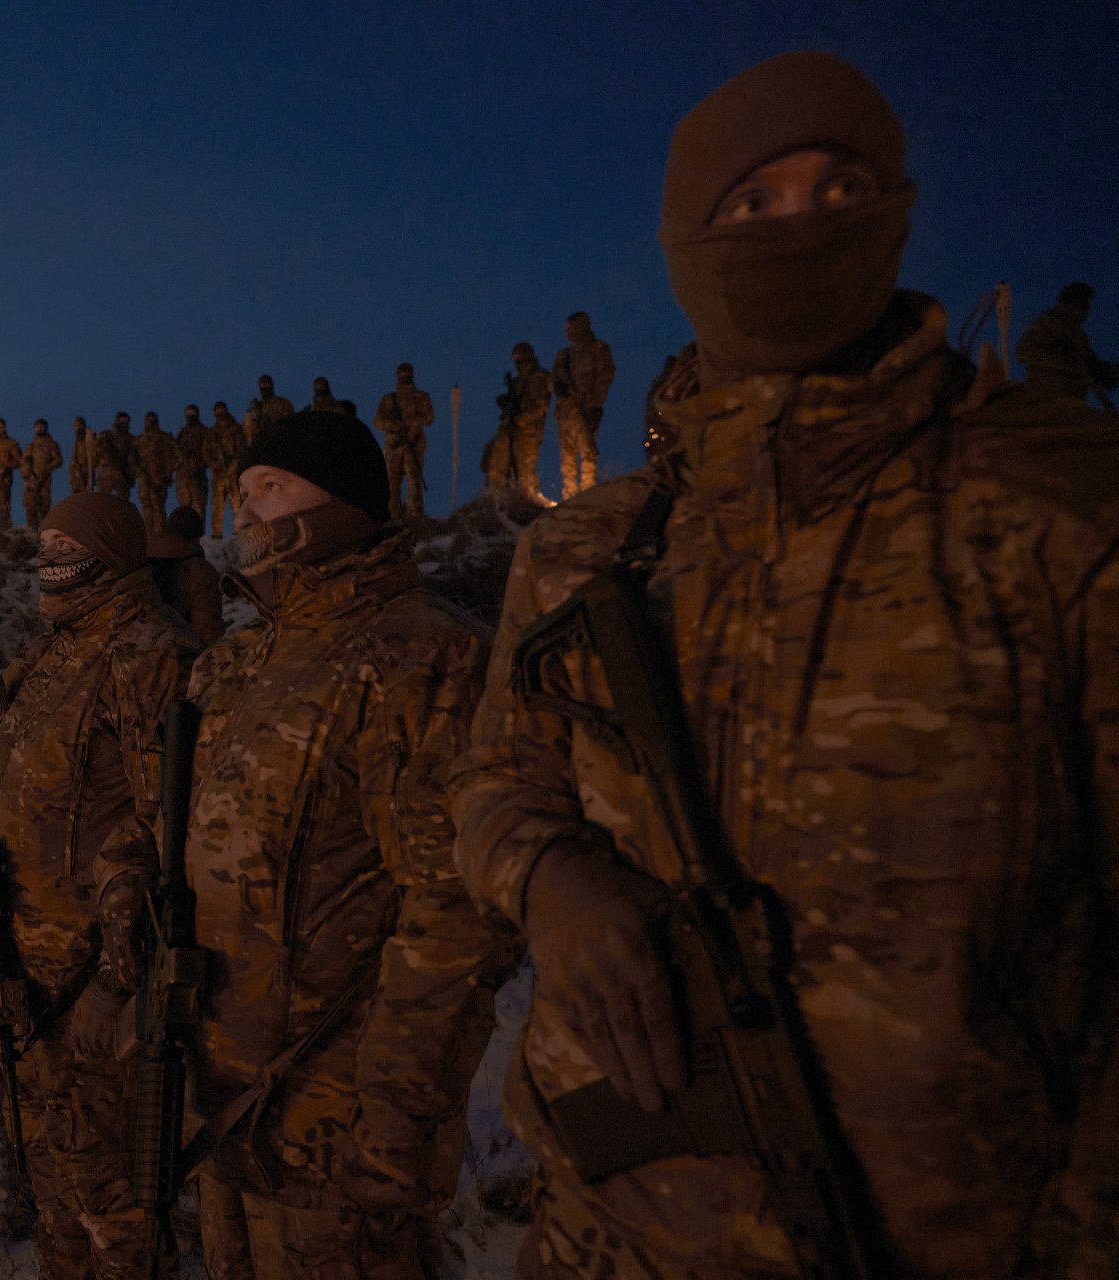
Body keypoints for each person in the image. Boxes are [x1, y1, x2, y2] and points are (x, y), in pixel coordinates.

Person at [452, 51, 1119, 1280]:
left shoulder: (1054, 506)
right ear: (686, 242)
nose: (797, 228)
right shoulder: (595, 542)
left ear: (898, 212)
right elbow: (497, 780)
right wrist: (553, 880)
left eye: (839, 188)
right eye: (751, 205)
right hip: (616, 1226)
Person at [109, 411, 522, 1280]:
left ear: (342, 503)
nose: (247, 513)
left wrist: (398, 1113)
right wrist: (127, 882)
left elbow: (454, 915)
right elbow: (167, 822)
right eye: (242, 493)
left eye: (271, 489)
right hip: (218, 1083)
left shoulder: (422, 655)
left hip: (335, 1112)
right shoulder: (236, 661)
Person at [0, 492, 200, 1279]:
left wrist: (116, 986)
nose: (48, 550)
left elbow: (170, 833)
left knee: (114, 1193)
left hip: (99, 981)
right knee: (53, 1177)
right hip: (29, 969)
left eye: (67, 540)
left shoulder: (150, 653)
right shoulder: (53, 653)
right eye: (44, 536)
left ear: (111, 551)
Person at [1017, 282, 1117, 407]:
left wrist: (1106, 372)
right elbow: (1024, 352)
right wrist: (1072, 365)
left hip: (1072, 403)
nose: (1086, 313)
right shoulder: (1048, 324)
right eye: (1084, 306)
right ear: (1071, 305)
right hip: (1046, 400)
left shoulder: (1079, 336)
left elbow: (1092, 365)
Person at [551, 312, 616, 499]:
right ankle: (569, 495)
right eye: (567, 328)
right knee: (567, 456)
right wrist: (557, 387)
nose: (568, 332)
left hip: (586, 408)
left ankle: (588, 493)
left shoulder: (598, 349)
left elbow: (605, 377)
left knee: (588, 452)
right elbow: (553, 379)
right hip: (565, 410)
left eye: (571, 327)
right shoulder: (563, 355)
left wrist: (594, 403)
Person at [147, 506, 224, 644]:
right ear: (197, 537)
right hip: (173, 656)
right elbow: (208, 630)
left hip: (126, 653)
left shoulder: (140, 558)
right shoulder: (200, 571)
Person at [373, 362, 433, 519]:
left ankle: (415, 515)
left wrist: (410, 423)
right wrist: (392, 424)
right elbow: (378, 422)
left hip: (413, 443)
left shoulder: (421, 397)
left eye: (406, 375)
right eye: (401, 375)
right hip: (393, 445)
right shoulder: (389, 400)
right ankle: (393, 516)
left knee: (414, 480)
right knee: (392, 483)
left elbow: (429, 418)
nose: (404, 378)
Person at [504, 342, 551, 499]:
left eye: (519, 357)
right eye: (515, 357)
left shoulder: (539, 376)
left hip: (530, 429)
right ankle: (518, 497)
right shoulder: (519, 380)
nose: (517, 361)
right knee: (511, 465)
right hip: (516, 429)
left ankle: (529, 498)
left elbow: (541, 405)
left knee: (526, 467)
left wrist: (521, 420)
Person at [206, 402, 246, 537]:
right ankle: (217, 534)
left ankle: (238, 531)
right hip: (219, 474)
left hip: (233, 473)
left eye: (221, 410)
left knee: (237, 503)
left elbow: (241, 448)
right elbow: (206, 451)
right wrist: (213, 464)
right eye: (217, 411)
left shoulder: (235, 429)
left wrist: (234, 463)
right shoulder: (212, 433)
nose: (220, 414)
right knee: (217, 505)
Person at [133, 412, 176, 535]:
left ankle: (160, 535)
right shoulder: (140, 440)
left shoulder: (164, 438)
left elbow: (174, 456)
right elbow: (132, 458)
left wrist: (167, 473)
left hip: (159, 479)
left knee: (158, 507)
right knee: (146, 506)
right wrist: (138, 471)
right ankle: (149, 535)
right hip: (144, 480)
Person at [20, 418, 64, 531]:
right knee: (30, 505)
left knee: (44, 506)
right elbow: (24, 461)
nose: (38, 428)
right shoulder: (31, 445)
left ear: (45, 428)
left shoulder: (51, 444)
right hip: (31, 480)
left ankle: (45, 531)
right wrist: (28, 474)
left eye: (41, 426)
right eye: (36, 426)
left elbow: (58, 460)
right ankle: (32, 530)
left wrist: (47, 469)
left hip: (44, 480)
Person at [173, 405, 212, 524]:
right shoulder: (182, 433)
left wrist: (200, 465)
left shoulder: (204, 432)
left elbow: (209, 452)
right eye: (188, 413)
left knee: (198, 508)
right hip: (183, 477)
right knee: (184, 509)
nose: (190, 416)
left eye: (192, 413)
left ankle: (198, 536)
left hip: (197, 477)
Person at [90, 413, 137, 501]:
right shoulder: (106, 435)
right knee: (104, 501)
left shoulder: (130, 439)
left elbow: (132, 459)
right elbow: (96, 453)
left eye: (126, 421)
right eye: (123, 421)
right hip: (109, 472)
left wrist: (131, 476)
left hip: (119, 474)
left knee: (119, 503)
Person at [67, 416, 92, 497]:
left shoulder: (88, 440)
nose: (77, 428)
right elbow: (73, 460)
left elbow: (92, 457)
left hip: (86, 473)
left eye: (79, 425)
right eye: (76, 426)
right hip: (76, 476)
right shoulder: (77, 443)